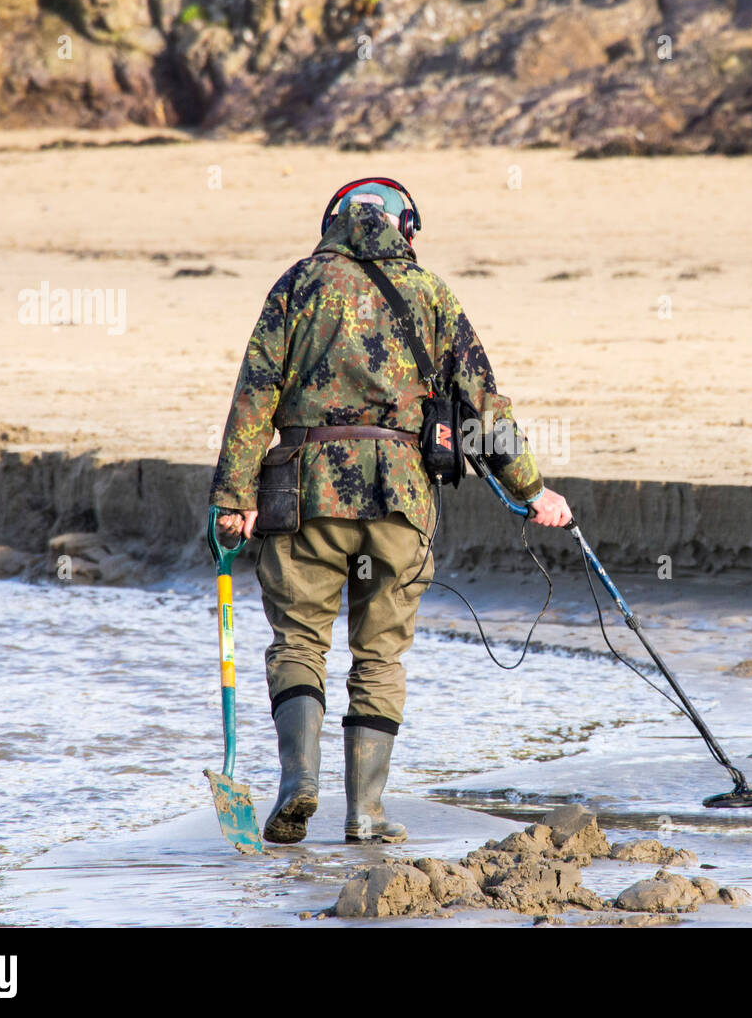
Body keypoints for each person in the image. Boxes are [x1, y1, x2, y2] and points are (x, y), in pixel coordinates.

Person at [209, 177, 572, 844]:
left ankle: (299, 783)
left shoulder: (298, 284)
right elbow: (483, 407)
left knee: (298, 643)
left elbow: (253, 395)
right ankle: (366, 813)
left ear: (333, 222)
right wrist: (532, 491)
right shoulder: (431, 293)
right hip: (401, 503)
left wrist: (233, 498)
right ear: (406, 227)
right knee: (379, 656)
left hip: (305, 497)